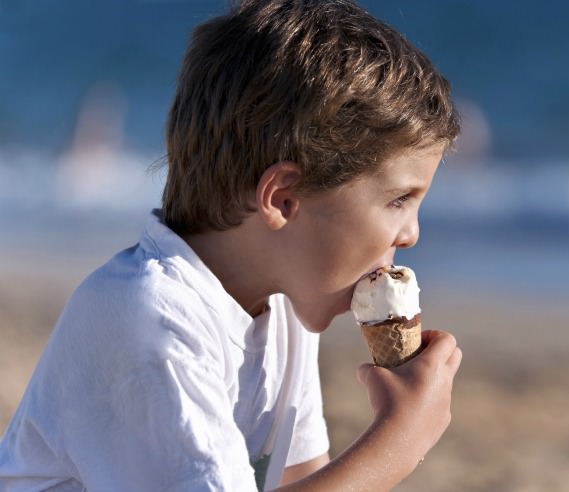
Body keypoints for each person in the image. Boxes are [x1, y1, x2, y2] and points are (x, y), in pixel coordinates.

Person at [0, 0, 462, 491]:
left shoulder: (284, 305)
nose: (412, 234)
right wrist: (400, 440)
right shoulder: (149, 316)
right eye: (397, 200)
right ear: (283, 200)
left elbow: (297, 479)